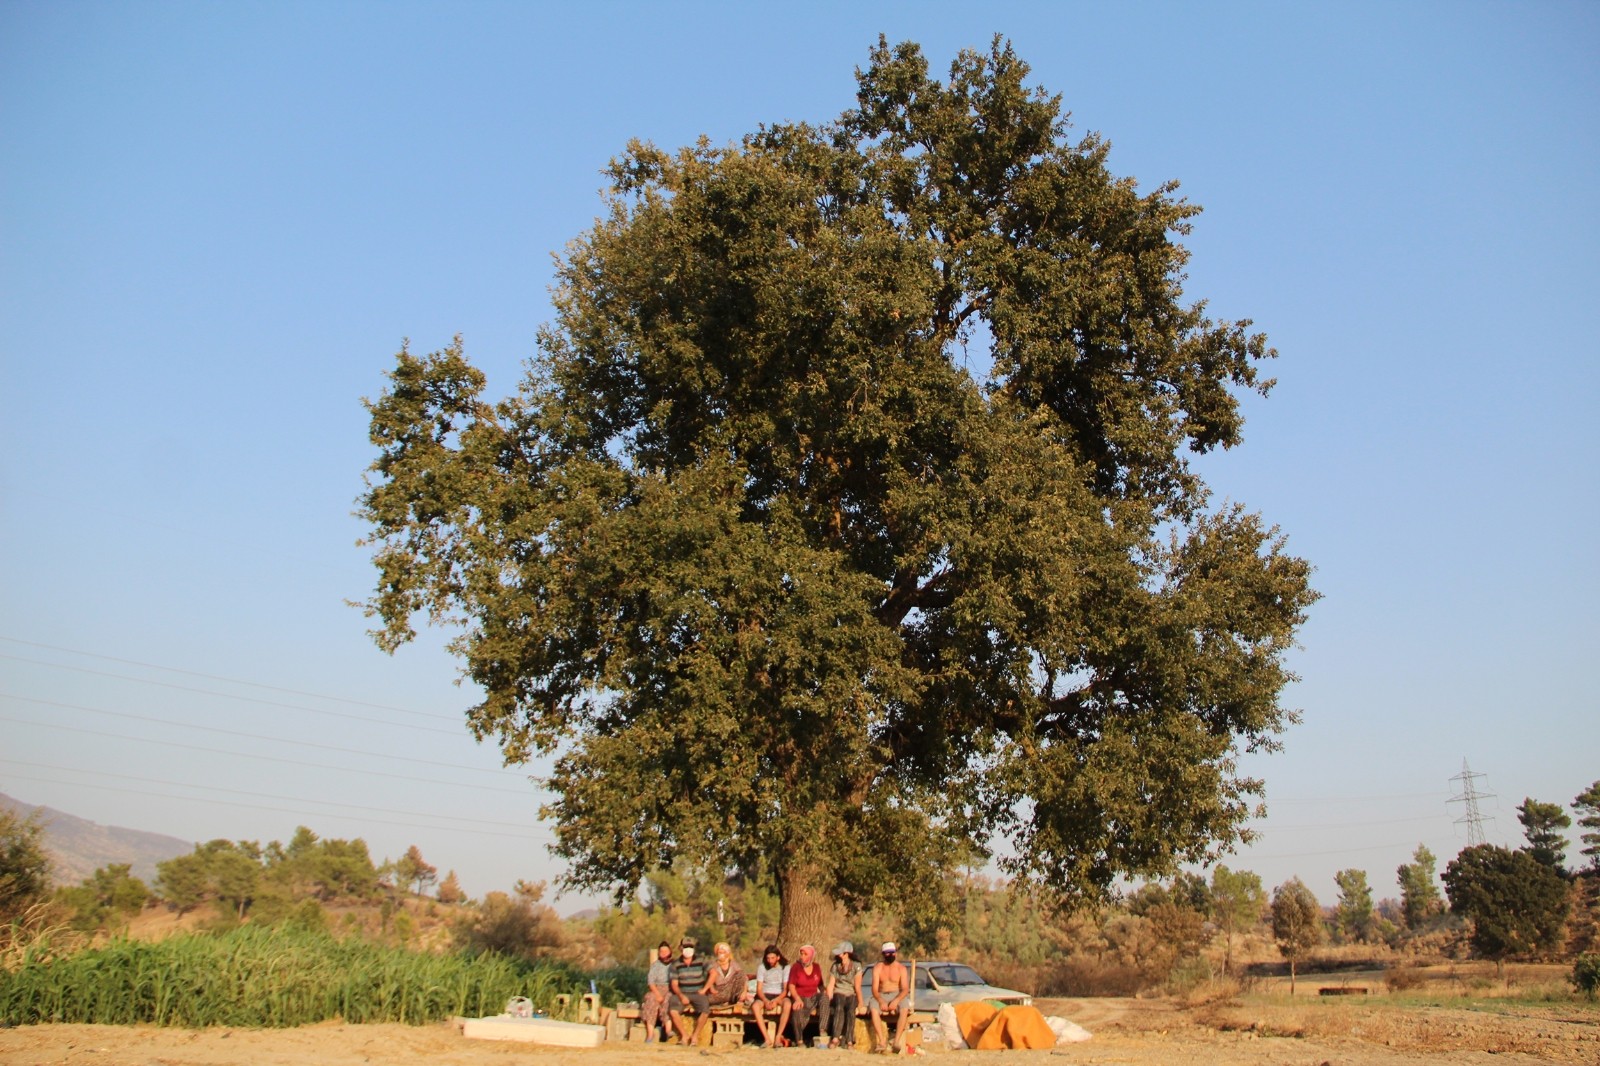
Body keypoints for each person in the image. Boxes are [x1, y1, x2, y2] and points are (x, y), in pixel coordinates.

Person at [868, 941, 911, 1054]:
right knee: (873, 1009)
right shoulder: (878, 967)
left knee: (904, 1008)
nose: (890, 955)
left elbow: (905, 989)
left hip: (897, 994)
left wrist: (896, 1000)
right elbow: (874, 989)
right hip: (881, 995)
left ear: (895, 953)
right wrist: (881, 1001)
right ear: (883, 954)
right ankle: (882, 1041)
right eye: (887, 953)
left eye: (892, 952)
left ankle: (896, 1042)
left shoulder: (901, 968)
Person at [667, 936, 711, 1045]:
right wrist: (681, 996)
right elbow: (674, 984)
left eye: (690, 947)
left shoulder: (701, 960)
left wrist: (705, 988)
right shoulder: (675, 964)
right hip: (682, 992)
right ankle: (684, 1035)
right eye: (685, 947)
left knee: (705, 1010)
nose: (688, 949)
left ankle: (695, 1036)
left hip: (698, 992)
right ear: (680, 948)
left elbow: (714, 973)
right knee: (673, 1010)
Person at [781, 943, 827, 1048]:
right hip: (800, 996)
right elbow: (791, 986)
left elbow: (820, 985)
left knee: (824, 998)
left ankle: (822, 1029)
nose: (802, 956)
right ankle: (799, 1040)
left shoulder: (816, 967)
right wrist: (797, 998)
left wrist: (825, 992)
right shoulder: (796, 967)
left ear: (811, 955)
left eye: (805, 954)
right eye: (801, 954)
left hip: (813, 996)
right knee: (797, 1010)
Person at [745, 944, 789, 1048]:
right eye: (768, 958)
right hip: (765, 994)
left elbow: (785, 989)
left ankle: (778, 1037)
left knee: (787, 1004)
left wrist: (776, 1000)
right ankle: (767, 1038)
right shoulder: (762, 967)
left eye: (772, 958)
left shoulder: (785, 967)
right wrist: (765, 1000)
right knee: (755, 1006)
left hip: (779, 994)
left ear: (778, 957)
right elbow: (759, 989)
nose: (770, 961)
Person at [824, 941, 863, 1049]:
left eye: (841, 953)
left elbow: (857, 986)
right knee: (839, 1007)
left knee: (851, 1011)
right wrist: (829, 996)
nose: (839, 955)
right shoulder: (836, 966)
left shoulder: (856, 966)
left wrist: (861, 1003)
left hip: (851, 993)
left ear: (846, 954)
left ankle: (850, 1040)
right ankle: (835, 1037)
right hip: (839, 992)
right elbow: (831, 984)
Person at [640, 940, 674, 1042]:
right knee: (651, 1000)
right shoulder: (655, 965)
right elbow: (651, 981)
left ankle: (668, 1030)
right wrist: (657, 993)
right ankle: (650, 1034)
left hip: (670, 988)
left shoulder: (674, 964)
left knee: (668, 999)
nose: (663, 953)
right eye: (661, 951)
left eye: (665, 951)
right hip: (657, 988)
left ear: (670, 952)